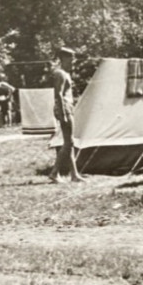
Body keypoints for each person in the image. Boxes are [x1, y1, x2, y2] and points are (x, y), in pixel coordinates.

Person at [48, 47, 84, 183]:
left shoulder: (66, 74)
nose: (73, 61)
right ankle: (54, 172)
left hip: (69, 108)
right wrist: (62, 113)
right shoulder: (60, 74)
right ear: (63, 58)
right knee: (68, 143)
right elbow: (58, 94)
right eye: (71, 58)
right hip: (65, 109)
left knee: (70, 142)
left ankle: (74, 175)